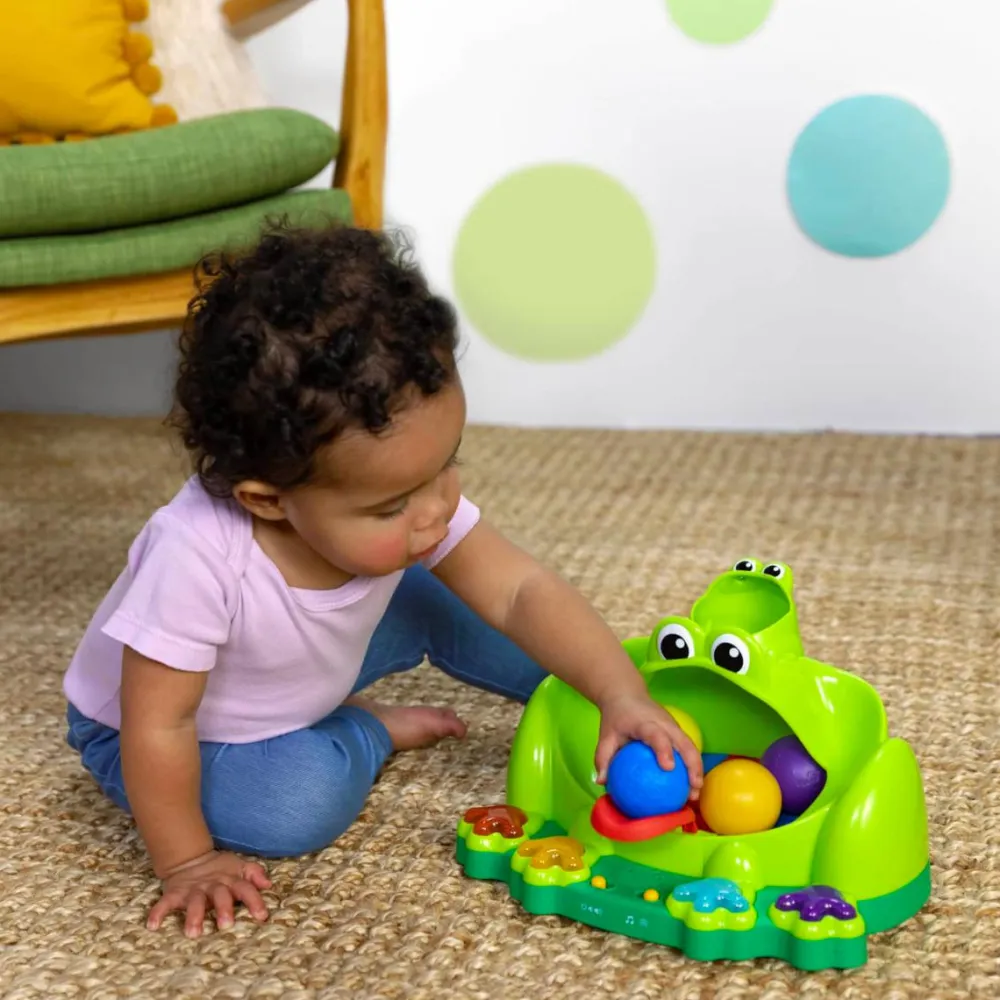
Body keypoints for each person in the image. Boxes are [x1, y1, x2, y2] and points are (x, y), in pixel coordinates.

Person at [62, 223, 702, 939]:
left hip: (302, 658)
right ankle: (364, 730)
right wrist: (187, 861)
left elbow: (519, 591)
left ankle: (597, 706)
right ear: (268, 501)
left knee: (483, 608)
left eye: (446, 466)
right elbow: (160, 723)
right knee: (297, 804)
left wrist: (618, 691)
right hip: (170, 727)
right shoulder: (193, 557)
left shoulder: (401, 508)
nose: (436, 510)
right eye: (392, 505)